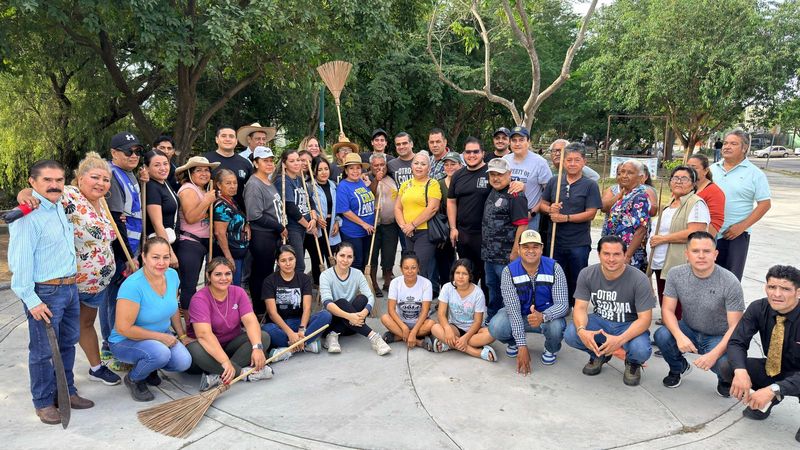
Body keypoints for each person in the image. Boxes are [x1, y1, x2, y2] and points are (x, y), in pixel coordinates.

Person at [9, 160, 94, 424]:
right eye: (47, 180)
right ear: (32, 183)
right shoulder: (26, 217)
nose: (54, 185)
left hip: (69, 289)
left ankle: (65, 392)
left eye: (59, 180)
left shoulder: (58, 207)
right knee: (43, 350)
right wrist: (31, 300)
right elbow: (20, 264)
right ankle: (44, 401)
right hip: (45, 293)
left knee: (67, 343)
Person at [652, 231, 744, 392]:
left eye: (707, 251)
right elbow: (667, 310)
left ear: (715, 254)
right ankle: (678, 368)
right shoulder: (676, 274)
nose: (701, 256)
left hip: (718, 335)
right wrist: (679, 336)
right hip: (688, 328)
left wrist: (713, 355)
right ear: (687, 254)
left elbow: (735, 326)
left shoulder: (729, 281)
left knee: (725, 364)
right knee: (662, 335)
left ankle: (724, 380)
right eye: (695, 251)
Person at [722, 265, 800, 443]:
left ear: (798, 292)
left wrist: (774, 389)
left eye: (785, 288)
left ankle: (772, 393)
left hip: (798, 373)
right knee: (729, 367)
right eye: (772, 287)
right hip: (774, 367)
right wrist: (740, 372)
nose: (777, 294)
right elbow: (736, 342)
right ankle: (767, 400)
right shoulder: (759, 307)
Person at [564, 235, 656, 386]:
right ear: (598, 254)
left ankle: (632, 363)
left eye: (616, 254)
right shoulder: (587, 274)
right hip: (600, 321)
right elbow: (580, 307)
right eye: (606, 254)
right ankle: (598, 354)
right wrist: (582, 331)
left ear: (625, 255)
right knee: (571, 333)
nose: (611, 259)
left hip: (628, 324)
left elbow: (645, 320)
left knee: (641, 350)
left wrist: (619, 341)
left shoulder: (639, 279)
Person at [110, 237, 192, 402]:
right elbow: (123, 328)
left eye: (166, 257)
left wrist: (181, 335)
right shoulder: (133, 285)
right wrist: (162, 337)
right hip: (126, 340)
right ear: (144, 257)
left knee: (184, 362)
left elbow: (173, 307)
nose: (161, 262)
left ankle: (149, 367)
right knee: (160, 353)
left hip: (159, 336)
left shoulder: (172, 275)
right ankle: (134, 378)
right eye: (155, 257)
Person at [187, 258, 272, 391]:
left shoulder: (238, 292)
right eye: (218, 274)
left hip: (230, 345)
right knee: (194, 348)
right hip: (207, 351)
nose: (223, 278)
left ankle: (217, 374)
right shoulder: (200, 299)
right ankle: (244, 374)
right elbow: (204, 335)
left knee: (263, 336)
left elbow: (250, 321)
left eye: (228, 274)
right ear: (208, 276)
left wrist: (257, 347)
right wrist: (225, 362)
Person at [489, 230, 569, 373]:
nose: (531, 251)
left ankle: (551, 348)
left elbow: (563, 305)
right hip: (519, 315)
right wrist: (522, 345)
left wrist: (543, 316)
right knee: (496, 326)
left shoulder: (554, 268)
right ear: (519, 249)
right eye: (526, 247)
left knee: (557, 327)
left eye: (535, 246)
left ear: (542, 248)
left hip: (545, 318)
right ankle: (513, 342)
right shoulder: (509, 271)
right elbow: (513, 311)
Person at [540, 142, 602, 306]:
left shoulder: (590, 185)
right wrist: (550, 209)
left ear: (584, 162)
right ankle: (558, 307)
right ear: (563, 162)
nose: (572, 164)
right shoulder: (554, 181)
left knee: (577, 277)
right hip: (555, 240)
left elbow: (591, 213)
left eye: (576, 160)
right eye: (569, 160)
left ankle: (577, 309)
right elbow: (542, 204)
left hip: (578, 243)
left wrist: (565, 218)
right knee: (556, 276)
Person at [104, 131, 146, 364]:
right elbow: (116, 220)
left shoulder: (129, 175)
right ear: (114, 153)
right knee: (114, 300)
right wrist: (129, 257)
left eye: (137, 151)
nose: (134, 155)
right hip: (119, 249)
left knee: (122, 299)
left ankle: (117, 340)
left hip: (132, 246)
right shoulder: (111, 175)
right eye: (128, 151)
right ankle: (111, 346)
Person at [648, 166, 710, 317]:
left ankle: (678, 337)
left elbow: (696, 233)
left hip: (679, 263)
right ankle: (669, 334)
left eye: (684, 179)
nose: (679, 182)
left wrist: (663, 239)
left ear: (693, 184)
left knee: (679, 306)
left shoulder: (695, 203)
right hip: (661, 262)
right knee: (667, 303)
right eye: (675, 178)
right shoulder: (670, 204)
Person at [710, 129, 771, 281]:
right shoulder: (711, 170)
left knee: (730, 281)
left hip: (735, 235)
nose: (727, 147)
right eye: (725, 143)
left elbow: (765, 204)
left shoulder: (755, 173)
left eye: (733, 143)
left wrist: (741, 227)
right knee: (705, 278)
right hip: (709, 233)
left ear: (744, 148)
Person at [318, 243, 391, 355]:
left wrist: (364, 312)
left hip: (352, 326)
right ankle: (374, 337)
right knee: (342, 302)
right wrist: (349, 316)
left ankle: (333, 335)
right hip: (333, 321)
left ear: (353, 259)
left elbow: (370, 296)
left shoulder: (357, 274)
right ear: (335, 255)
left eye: (349, 257)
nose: (345, 260)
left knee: (362, 298)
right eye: (342, 255)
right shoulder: (326, 275)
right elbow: (327, 302)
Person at [262, 246, 333, 360]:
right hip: (280, 326)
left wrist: (301, 330)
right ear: (277, 262)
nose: (288, 263)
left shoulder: (304, 278)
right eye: (283, 260)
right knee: (267, 330)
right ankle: (306, 344)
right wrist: (290, 333)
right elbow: (272, 313)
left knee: (325, 315)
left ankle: (287, 349)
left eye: (291, 259)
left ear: (296, 259)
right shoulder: (270, 281)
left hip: (300, 322)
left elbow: (307, 308)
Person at [481, 158, 529, 321]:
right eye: (492, 174)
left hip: (506, 256)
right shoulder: (494, 190)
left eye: (500, 174)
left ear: (509, 174)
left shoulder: (515, 195)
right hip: (489, 255)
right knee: (492, 288)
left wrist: (515, 252)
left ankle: (509, 323)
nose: (495, 178)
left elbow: (522, 226)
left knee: (509, 292)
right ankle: (493, 318)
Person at [244, 147, 286, 315]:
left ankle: (267, 307)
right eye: (264, 161)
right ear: (255, 163)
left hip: (273, 234)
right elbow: (254, 215)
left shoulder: (268, 181)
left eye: (271, 160)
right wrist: (279, 227)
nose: (269, 164)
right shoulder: (254, 184)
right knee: (261, 273)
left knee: (268, 272)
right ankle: (260, 309)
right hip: (262, 235)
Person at [175, 156, 219, 310]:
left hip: (202, 243)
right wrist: (207, 201)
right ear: (190, 173)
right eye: (198, 170)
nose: (204, 173)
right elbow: (191, 217)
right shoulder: (188, 189)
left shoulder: (203, 189)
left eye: (206, 170)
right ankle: (189, 325)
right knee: (189, 286)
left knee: (196, 283)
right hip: (190, 242)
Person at [429, 259, 496, 361]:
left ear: (470, 275)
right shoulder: (447, 288)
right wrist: (447, 329)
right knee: (434, 327)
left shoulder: (478, 293)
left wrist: (465, 338)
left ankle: (449, 344)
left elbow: (478, 321)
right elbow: (441, 314)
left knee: (492, 335)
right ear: (453, 274)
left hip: (473, 331)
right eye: (457, 273)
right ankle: (476, 352)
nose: (460, 277)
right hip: (454, 328)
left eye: (464, 273)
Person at [395, 151, 440, 283]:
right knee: (409, 267)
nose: (419, 166)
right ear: (411, 166)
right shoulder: (405, 184)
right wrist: (404, 226)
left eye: (423, 164)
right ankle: (412, 298)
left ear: (429, 168)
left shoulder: (432, 184)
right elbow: (398, 207)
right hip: (407, 232)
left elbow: (432, 208)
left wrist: (413, 224)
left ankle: (423, 301)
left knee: (419, 267)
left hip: (424, 232)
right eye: (416, 163)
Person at [601, 160, 651, 271]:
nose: (624, 175)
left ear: (640, 177)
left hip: (629, 256)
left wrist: (627, 256)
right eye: (622, 172)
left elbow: (641, 229)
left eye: (630, 173)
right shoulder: (625, 195)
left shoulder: (639, 197)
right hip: (616, 253)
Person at [274, 148, 317, 274]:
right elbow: (290, 208)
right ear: (284, 164)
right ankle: (293, 291)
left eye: (298, 160)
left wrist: (313, 218)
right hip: (293, 227)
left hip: (305, 226)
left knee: (292, 260)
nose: (297, 163)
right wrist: (308, 225)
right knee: (297, 264)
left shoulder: (300, 179)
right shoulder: (282, 181)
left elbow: (310, 200)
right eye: (292, 161)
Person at [502, 125, 552, 231]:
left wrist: (533, 212)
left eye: (521, 140)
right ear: (509, 143)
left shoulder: (539, 162)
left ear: (528, 142)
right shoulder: (505, 160)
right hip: (506, 214)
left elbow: (548, 193)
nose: (517, 143)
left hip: (529, 215)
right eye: (514, 140)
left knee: (527, 246)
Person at [380, 253, 435, 347]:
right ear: (401, 269)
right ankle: (418, 342)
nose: (410, 271)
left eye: (413, 268)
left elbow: (425, 311)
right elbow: (391, 310)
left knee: (431, 324)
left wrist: (414, 331)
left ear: (418, 268)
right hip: (400, 323)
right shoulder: (395, 283)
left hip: (419, 323)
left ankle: (397, 337)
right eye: (406, 268)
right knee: (385, 318)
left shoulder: (426, 283)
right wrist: (404, 327)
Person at [336, 153, 376, 272]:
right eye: (351, 168)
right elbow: (345, 211)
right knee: (356, 262)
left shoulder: (361, 182)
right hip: (353, 232)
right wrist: (363, 224)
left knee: (365, 261)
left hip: (368, 230)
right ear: (346, 171)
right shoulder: (343, 186)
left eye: (358, 168)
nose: (355, 171)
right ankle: (352, 289)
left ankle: (363, 288)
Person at [368, 153, 400, 293]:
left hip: (390, 223)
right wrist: (376, 180)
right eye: (376, 165)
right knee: (373, 254)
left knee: (389, 253)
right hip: (374, 225)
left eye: (382, 165)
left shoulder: (392, 178)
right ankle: (374, 283)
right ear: (371, 166)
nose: (379, 167)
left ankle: (388, 280)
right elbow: (371, 193)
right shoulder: (366, 178)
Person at [212, 169, 249, 287]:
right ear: (219, 185)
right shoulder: (221, 205)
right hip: (229, 256)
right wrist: (228, 257)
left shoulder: (231, 200)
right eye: (228, 183)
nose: (233, 186)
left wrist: (246, 224)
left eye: (235, 183)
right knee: (230, 288)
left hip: (238, 253)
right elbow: (219, 233)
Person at [143, 149, 180, 268]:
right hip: (160, 247)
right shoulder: (152, 187)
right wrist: (169, 253)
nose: (163, 168)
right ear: (147, 168)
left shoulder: (164, 182)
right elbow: (157, 224)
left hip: (170, 240)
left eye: (165, 163)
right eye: (157, 165)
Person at [309, 156, 342, 283]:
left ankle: (333, 283)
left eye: (326, 169)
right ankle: (319, 286)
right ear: (314, 171)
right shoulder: (310, 187)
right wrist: (316, 218)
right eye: (320, 170)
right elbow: (308, 207)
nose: (324, 172)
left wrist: (338, 222)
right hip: (318, 226)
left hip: (332, 224)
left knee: (332, 257)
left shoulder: (334, 185)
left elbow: (339, 207)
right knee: (318, 258)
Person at [203, 126, 253, 210]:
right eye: (223, 136)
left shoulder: (245, 163)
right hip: (210, 215)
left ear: (236, 141)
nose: (227, 139)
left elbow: (251, 191)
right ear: (217, 139)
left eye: (231, 136)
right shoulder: (205, 160)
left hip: (239, 215)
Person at [433, 151, 462, 296]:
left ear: (460, 165)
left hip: (463, 227)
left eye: (453, 164)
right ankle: (445, 295)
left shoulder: (464, 182)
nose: (450, 167)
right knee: (444, 264)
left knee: (461, 263)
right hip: (443, 230)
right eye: (447, 164)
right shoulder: (439, 184)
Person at [686, 154, 725, 237]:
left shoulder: (714, 192)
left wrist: (702, 240)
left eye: (694, 167)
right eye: (687, 167)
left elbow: (716, 222)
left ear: (706, 171)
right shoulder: (684, 187)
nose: (689, 170)